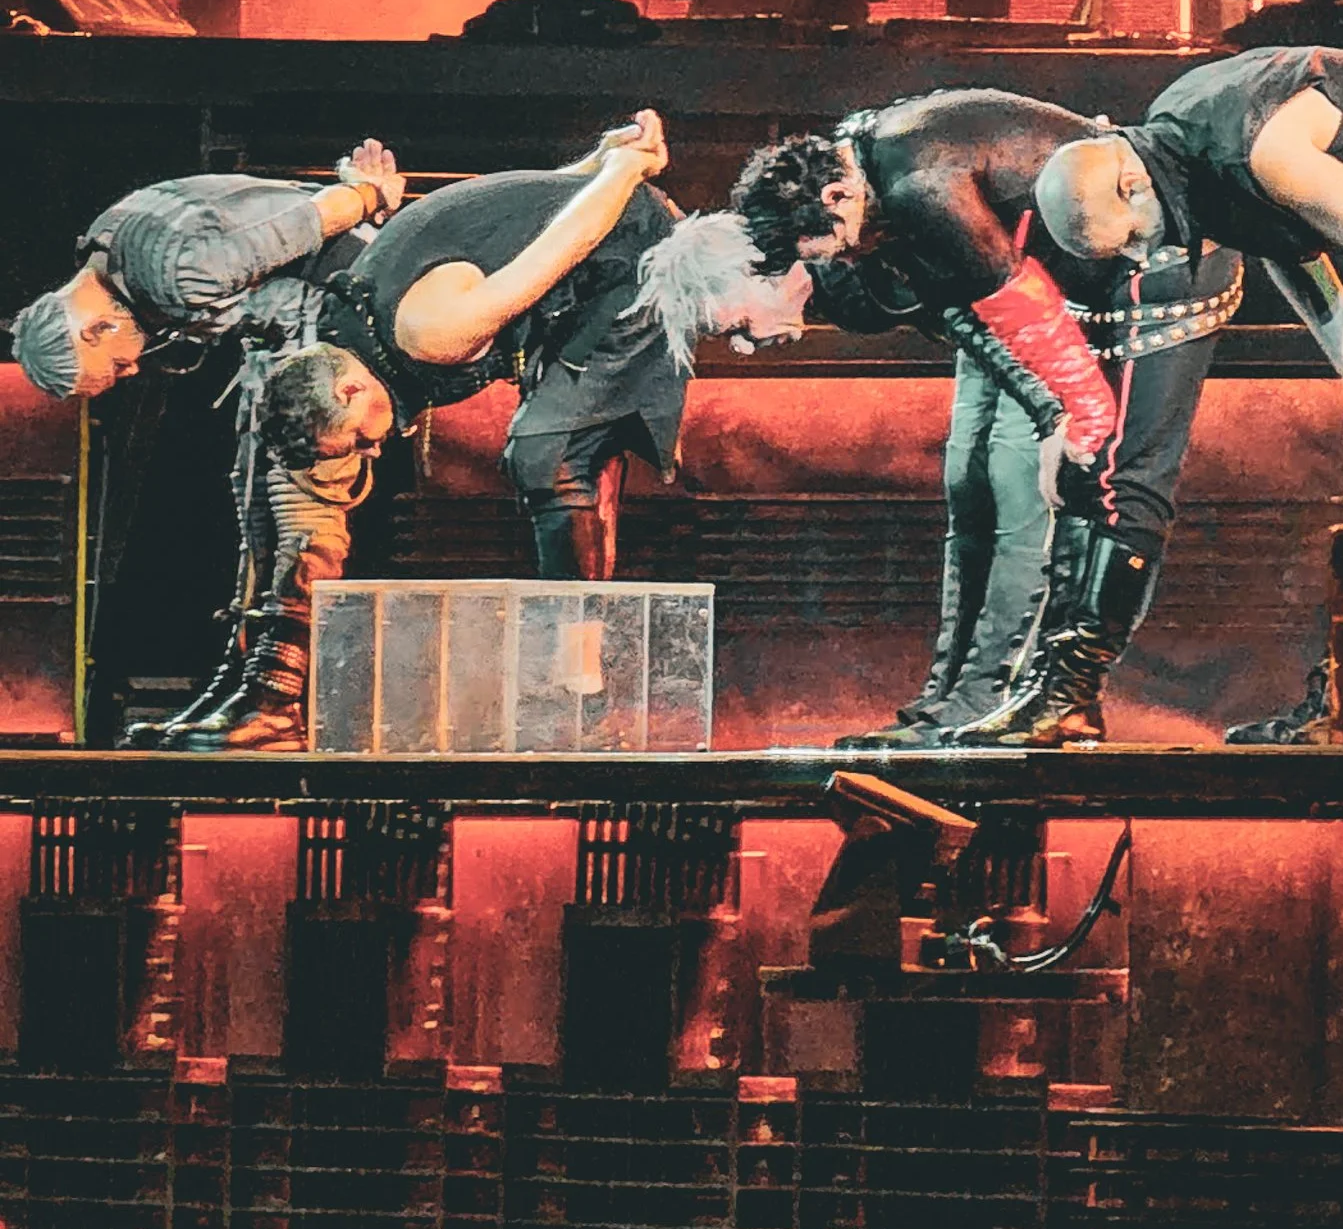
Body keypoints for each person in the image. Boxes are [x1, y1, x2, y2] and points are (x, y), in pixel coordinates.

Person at [696, 90, 1246, 747]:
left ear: (837, 197)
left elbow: (1018, 303)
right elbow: (970, 313)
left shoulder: (918, 185)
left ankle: (1062, 695)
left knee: (1116, 482)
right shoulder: (869, 177)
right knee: (1079, 482)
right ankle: (1049, 697)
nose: (839, 262)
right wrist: (1060, 416)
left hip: (1162, 261)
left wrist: (1074, 418)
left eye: (832, 249)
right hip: (1096, 281)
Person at [1032, 43, 1343, 740]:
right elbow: (1295, 257)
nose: (1141, 258)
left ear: (1131, 184)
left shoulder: (1264, 153)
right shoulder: (1187, 151)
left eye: (1133, 240)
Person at [259, 114, 813, 605]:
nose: (374, 448)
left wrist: (621, 170)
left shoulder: (431, 335)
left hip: (619, 255)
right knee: (561, 443)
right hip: (595, 258)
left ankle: (575, 650)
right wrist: (594, 164)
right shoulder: (353, 317)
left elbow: (558, 247)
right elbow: (514, 218)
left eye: (358, 439)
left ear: (349, 390)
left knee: (547, 453)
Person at [8, 141, 406, 751]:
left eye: (116, 366)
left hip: (331, 338)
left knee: (302, 519)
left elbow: (313, 219)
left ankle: (276, 701)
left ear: (94, 328)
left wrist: (368, 193)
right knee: (256, 511)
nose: (132, 370)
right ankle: (242, 685)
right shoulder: (110, 243)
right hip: (283, 345)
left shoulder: (175, 273)